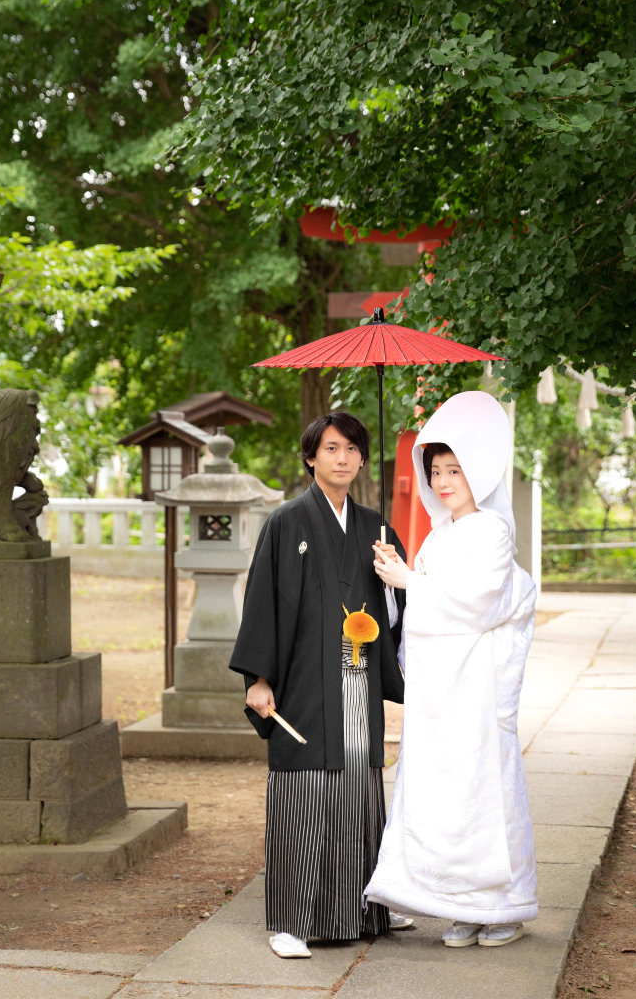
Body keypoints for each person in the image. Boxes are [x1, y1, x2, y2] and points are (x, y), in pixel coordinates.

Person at [229, 411, 410, 958]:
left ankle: (366, 906)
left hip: (359, 680)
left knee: (358, 791)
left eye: (352, 448)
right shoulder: (286, 522)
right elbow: (263, 601)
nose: (343, 458)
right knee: (304, 791)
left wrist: (395, 581)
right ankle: (291, 920)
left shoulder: (377, 528)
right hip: (305, 681)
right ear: (311, 457)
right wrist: (259, 679)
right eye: (331, 448)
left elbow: (398, 616)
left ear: (362, 458)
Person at [366, 390, 538, 948]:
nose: (443, 482)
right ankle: (459, 904)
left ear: (477, 472)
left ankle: (502, 907)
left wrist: (411, 583)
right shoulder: (439, 536)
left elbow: (477, 604)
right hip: (441, 690)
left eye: (454, 470)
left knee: (484, 791)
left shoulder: (491, 530)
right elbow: (426, 603)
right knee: (443, 793)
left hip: (476, 689)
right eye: (436, 471)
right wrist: (399, 574)